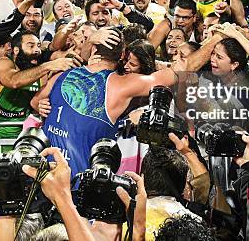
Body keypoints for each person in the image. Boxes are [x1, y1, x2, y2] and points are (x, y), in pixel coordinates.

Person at [31, 27, 185, 178]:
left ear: (93, 50)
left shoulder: (61, 76)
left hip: (47, 180)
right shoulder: (122, 85)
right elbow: (176, 73)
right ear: (122, 55)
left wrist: (42, 103)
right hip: (85, 187)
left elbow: (34, 102)